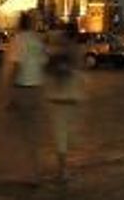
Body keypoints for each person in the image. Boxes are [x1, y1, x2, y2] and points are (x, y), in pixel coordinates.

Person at [2, 11, 47, 186]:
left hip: (23, 89)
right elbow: (44, 63)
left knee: (23, 131)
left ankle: (29, 172)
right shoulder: (37, 40)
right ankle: (33, 170)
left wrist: (8, 91)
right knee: (32, 131)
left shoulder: (19, 40)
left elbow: (15, 65)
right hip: (37, 89)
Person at [46, 21, 86, 183]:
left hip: (60, 98)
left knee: (62, 135)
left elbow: (51, 69)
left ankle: (62, 170)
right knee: (66, 135)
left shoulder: (60, 50)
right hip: (71, 97)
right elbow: (76, 71)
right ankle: (63, 170)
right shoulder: (75, 50)